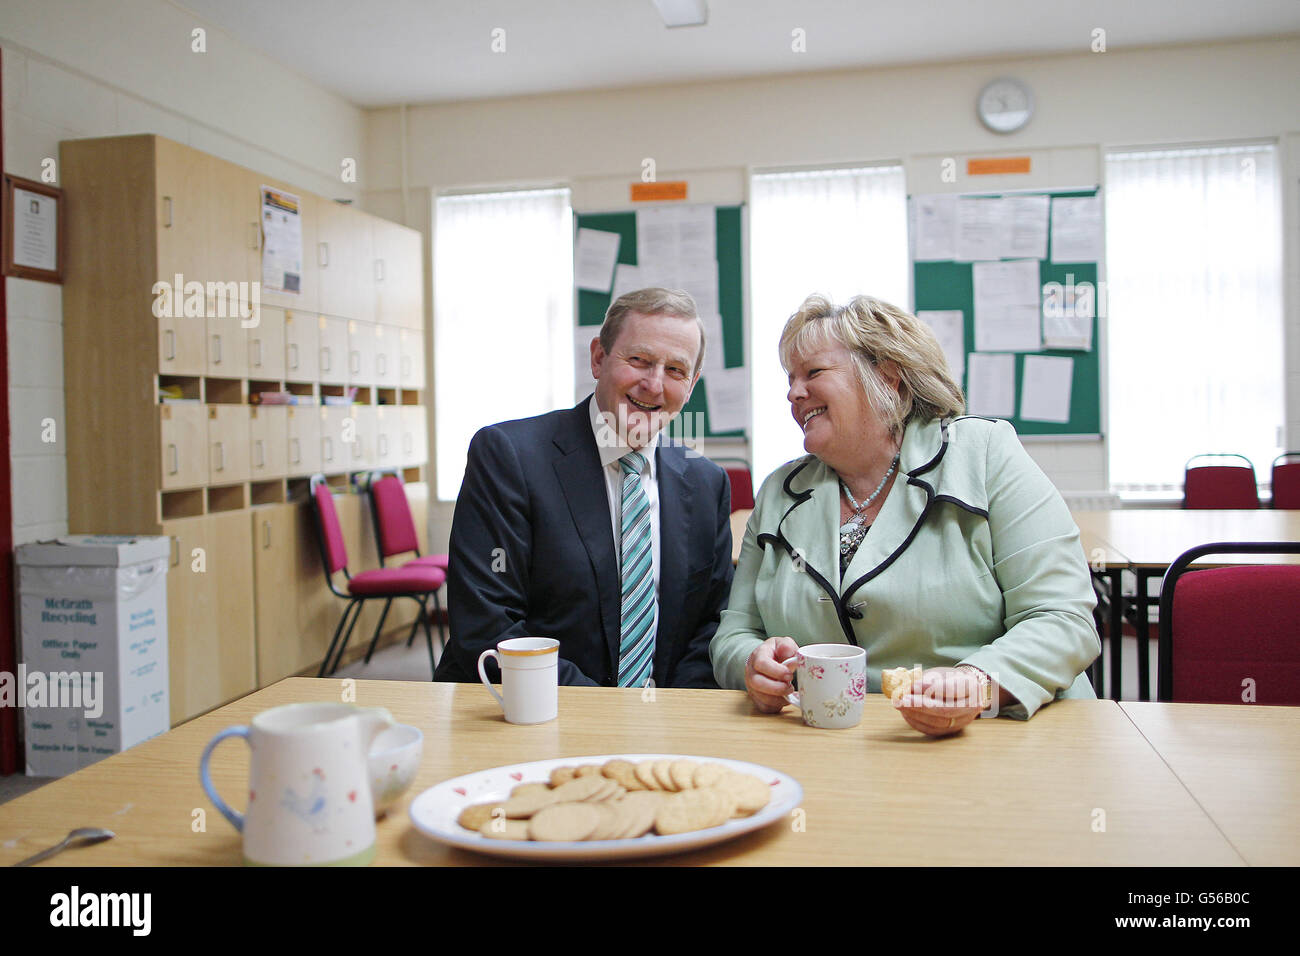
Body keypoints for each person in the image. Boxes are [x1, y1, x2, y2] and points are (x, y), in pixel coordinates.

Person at [710, 294, 1099, 735]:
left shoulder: (985, 454)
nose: (793, 392)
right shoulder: (780, 491)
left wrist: (978, 682)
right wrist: (751, 664)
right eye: (790, 378)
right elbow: (735, 632)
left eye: (813, 373)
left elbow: (1062, 618)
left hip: (1001, 733)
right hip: (828, 742)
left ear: (888, 378)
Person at [435, 288, 734, 688]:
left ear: (692, 384)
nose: (654, 384)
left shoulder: (706, 483)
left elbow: (712, 624)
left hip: (660, 730)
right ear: (598, 358)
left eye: (676, 371)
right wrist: (609, 719)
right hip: (528, 718)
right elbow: (488, 625)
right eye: (639, 360)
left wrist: (665, 717)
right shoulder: (509, 457)